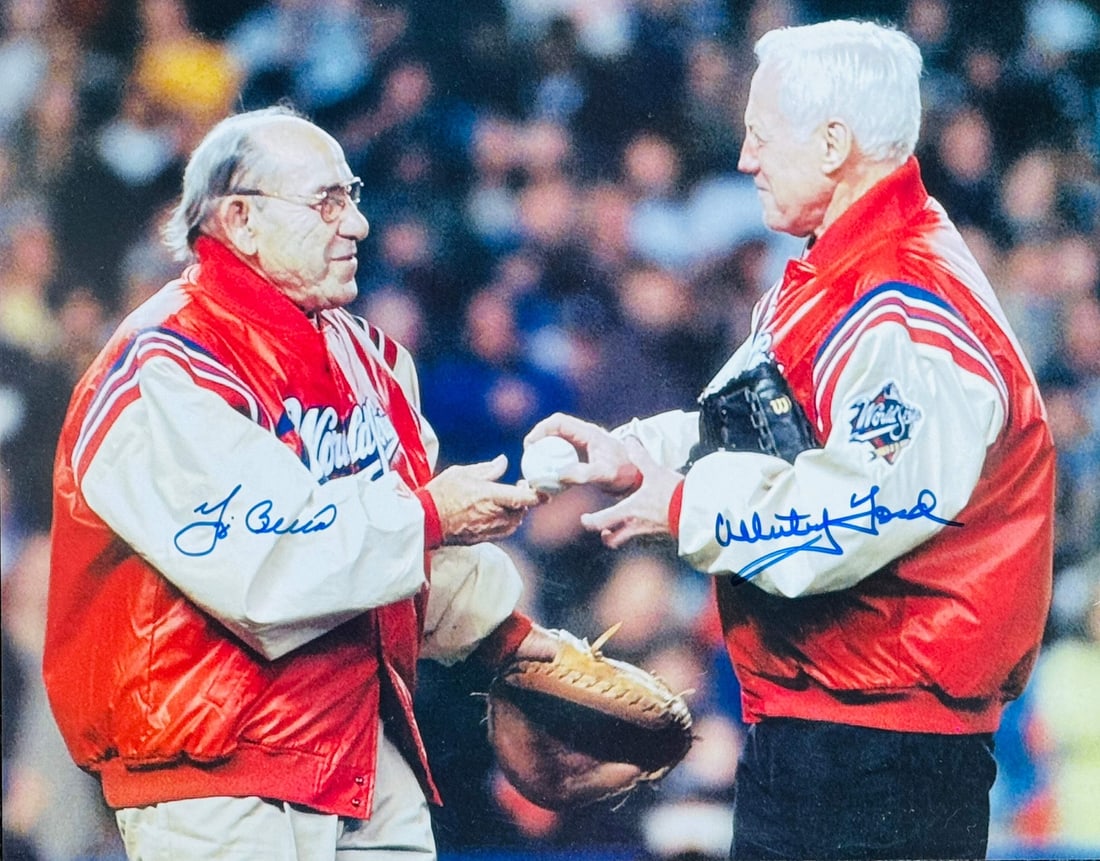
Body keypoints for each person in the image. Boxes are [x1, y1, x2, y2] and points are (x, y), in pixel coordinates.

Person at [526, 19, 1054, 861]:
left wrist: (689, 504)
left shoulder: (906, 306)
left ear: (835, 142)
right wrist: (638, 454)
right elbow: (760, 423)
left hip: (882, 751)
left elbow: (864, 510)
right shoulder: (834, 273)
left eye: (760, 135)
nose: (744, 159)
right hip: (824, 725)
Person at [43, 105, 560, 860]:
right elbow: (266, 568)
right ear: (241, 220)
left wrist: (513, 643)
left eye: (351, 195)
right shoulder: (163, 369)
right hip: (216, 771)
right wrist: (429, 517)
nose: (357, 224)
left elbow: (399, 552)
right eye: (327, 202)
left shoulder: (371, 359)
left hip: (361, 743)